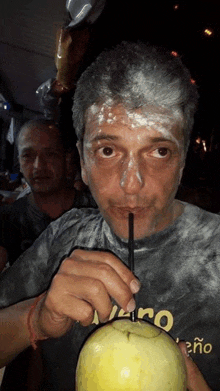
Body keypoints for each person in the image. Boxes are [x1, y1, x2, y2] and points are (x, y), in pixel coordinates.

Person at [0, 41, 218, 391]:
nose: (132, 184)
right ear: (82, 164)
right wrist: (36, 319)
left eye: (159, 151)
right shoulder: (64, 237)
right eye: (108, 150)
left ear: (182, 161)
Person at [0, 118, 95, 272]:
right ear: (19, 162)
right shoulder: (9, 219)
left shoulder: (96, 211)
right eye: (28, 156)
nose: (38, 166)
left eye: (50, 154)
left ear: (67, 158)